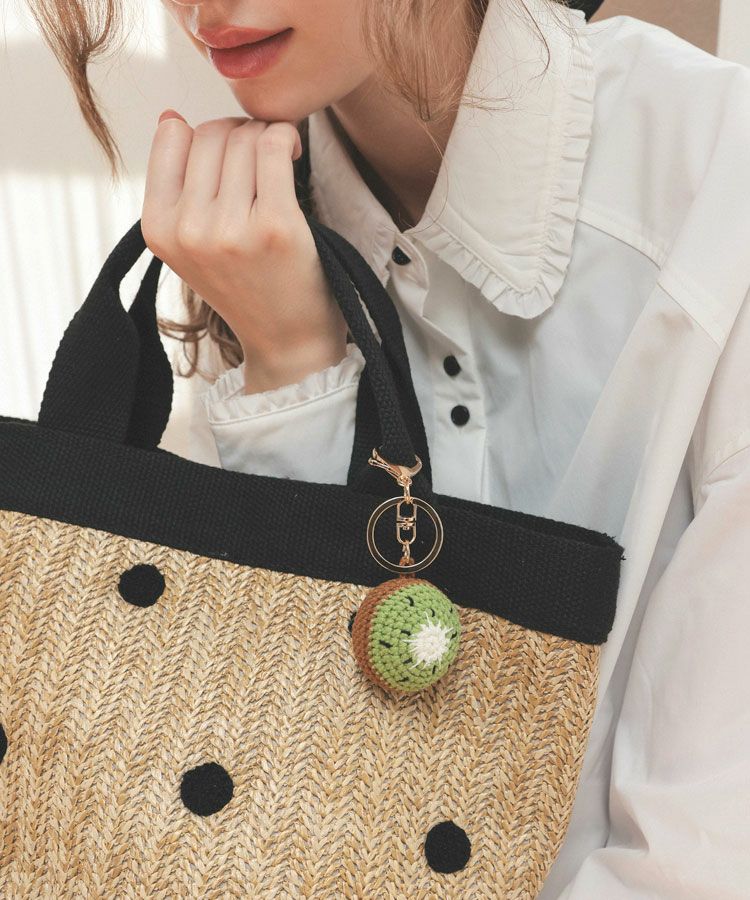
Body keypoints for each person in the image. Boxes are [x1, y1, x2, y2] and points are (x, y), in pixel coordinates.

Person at [25, 0, 750, 895]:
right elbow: (250, 794)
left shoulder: (716, 181)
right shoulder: (248, 217)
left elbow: (703, 857)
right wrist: (292, 368)